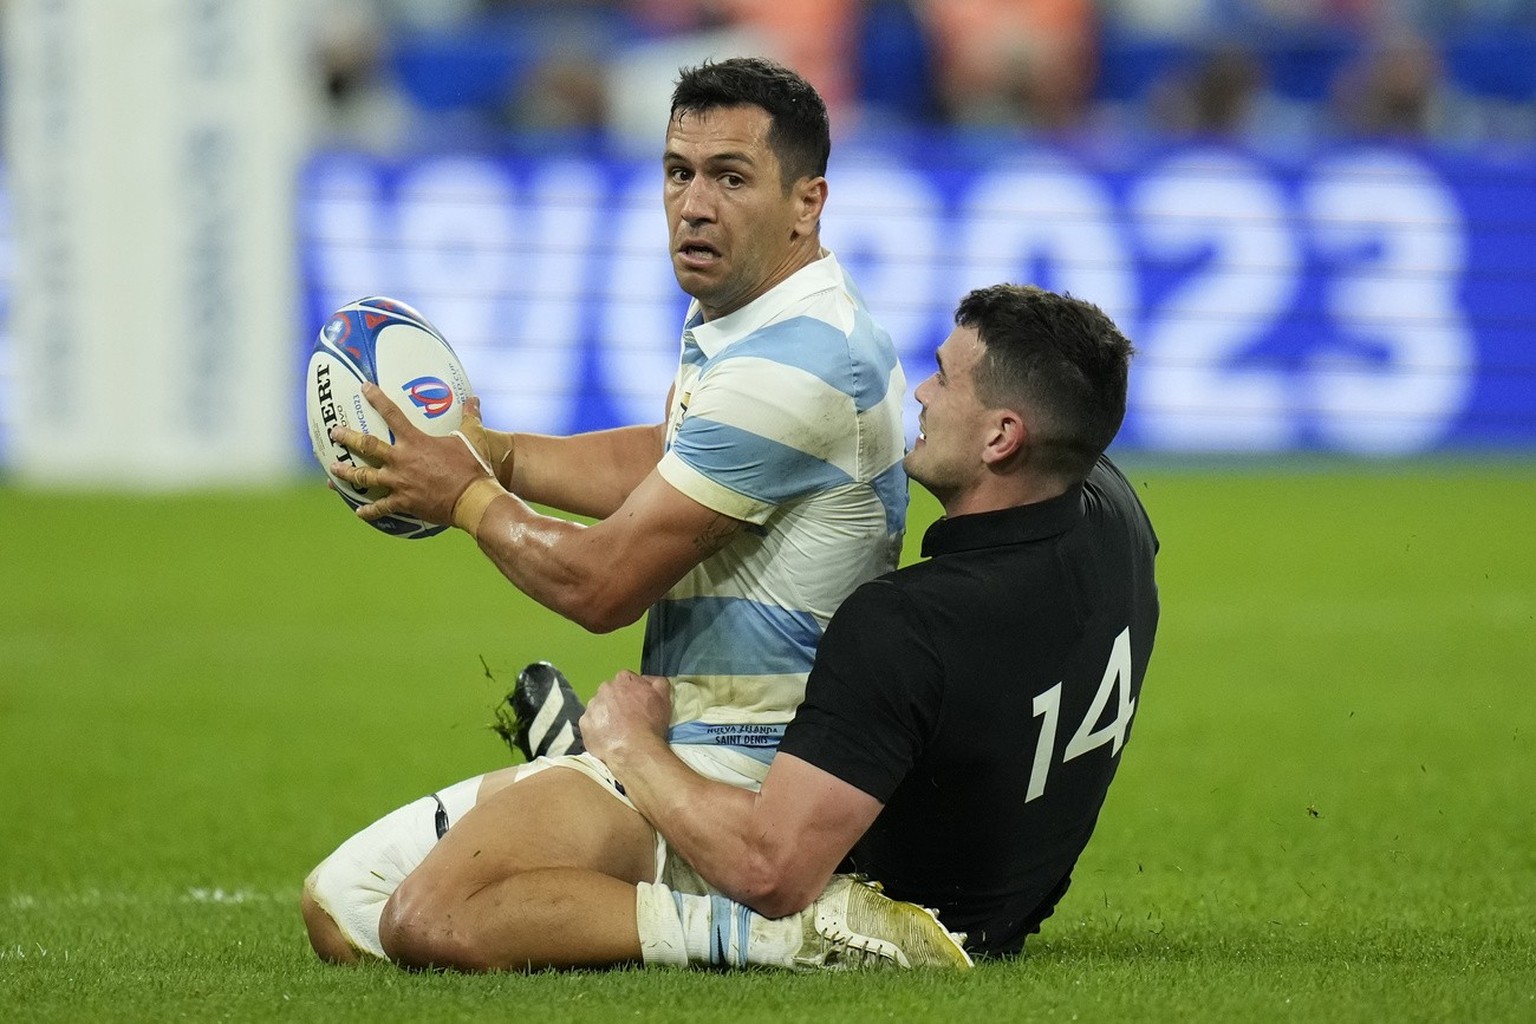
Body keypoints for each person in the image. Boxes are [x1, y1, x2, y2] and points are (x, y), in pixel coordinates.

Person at [301, 56, 966, 972]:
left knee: (429, 919)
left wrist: (461, 493)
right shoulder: (754, 314)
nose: (694, 203)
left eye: (730, 178)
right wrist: (490, 449)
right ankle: (606, 802)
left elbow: (602, 584)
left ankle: (782, 933)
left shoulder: (801, 361)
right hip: (676, 738)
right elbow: (668, 458)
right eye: (677, 172)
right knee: (339, 907)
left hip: (747, 771)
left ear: (806, 203)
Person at [580, 283, 1160, 957]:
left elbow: (771, 871)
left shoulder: (910, 624)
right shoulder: (1115, 515)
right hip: (1015, 897)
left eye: (944, 379)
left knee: (455, 908)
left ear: (1003, 437)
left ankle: (720, 924)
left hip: (883, 915)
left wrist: (632, 745)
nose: (920, 392)